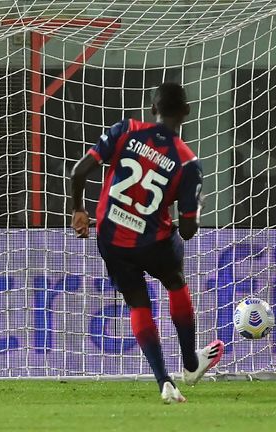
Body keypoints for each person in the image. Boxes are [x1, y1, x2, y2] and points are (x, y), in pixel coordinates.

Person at [69, 82, 224, 403]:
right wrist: (196, 209)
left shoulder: (125, 130)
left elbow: (79, 173)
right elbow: (189, 231)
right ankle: (191, 363)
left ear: (153, 109)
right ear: (186, 112)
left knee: (139, 303)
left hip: (110, 237)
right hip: (152, 244)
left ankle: (164, 382)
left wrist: (79, 210)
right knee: (175, 279)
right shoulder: (187, 162)